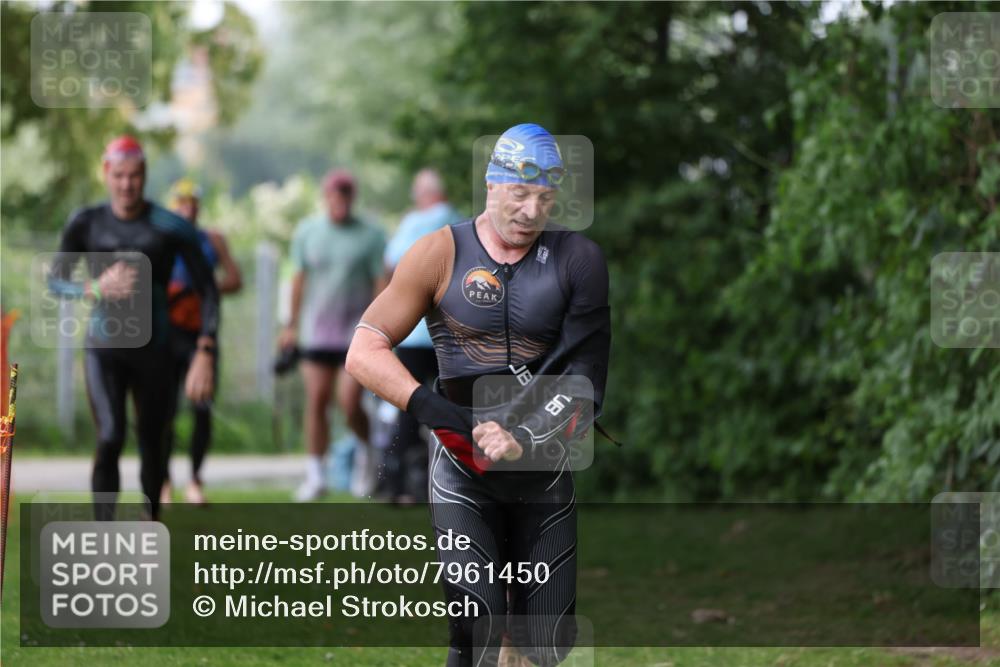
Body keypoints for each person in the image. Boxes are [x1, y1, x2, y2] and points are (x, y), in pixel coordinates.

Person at [346, 124, 611, 667]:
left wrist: (523, 437)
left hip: (542, 469)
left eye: (545, 198)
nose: (531, 211)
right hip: (461, 468)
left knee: (545, 646)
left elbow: (586, 378)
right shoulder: (438, 253)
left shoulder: (578, 260)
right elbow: (364, 350)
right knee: (476, 633)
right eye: (520, 193)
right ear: (491, 184)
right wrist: (445, 415)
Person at [49, 136, 219, 521]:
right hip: (103, 348)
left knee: (152, 441)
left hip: (155, 350)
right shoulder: (86, 222)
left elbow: (209, 290)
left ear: (145, 175)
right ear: (106, 173)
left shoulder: (171, 227)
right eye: (119, 176)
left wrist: (205, 349)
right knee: (110, 436)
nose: (127, 184)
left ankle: (150, 520)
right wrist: (93, 288)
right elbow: (56, 280)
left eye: (135, 176)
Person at [278, 169, 386, 501]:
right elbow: (298, 280)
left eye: (345, 195)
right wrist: (290, 326)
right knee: (316, 401)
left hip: (356, 334)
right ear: (326, 197)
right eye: (334, 195)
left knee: (349, 402)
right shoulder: (308, 232)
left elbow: (381, 284)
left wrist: (382, 329)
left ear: (352, 198)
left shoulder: (371, 235)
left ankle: (366, 454)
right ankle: (315, 476)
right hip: (316, 334)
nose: (339, 201)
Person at [379, 168, 462, 504]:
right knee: (454, 408)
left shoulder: (413, 223)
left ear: (424, 195)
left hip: (413, 333)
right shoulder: (460, 222)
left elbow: (391, 263)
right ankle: (456, 482)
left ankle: (397, 484)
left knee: (408, 407)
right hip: (451, 335)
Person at [160, 178, 243, 506]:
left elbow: (235, 280)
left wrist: (204, 290)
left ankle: (194, 481)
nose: (188, 208)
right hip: (168, 334)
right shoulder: (163, 239)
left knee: (202, 408)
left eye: (193, 202)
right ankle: (164, 482)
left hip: (202, 336)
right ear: (173, 206)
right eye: (182, 202)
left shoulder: (212, 239)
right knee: (163, 410)